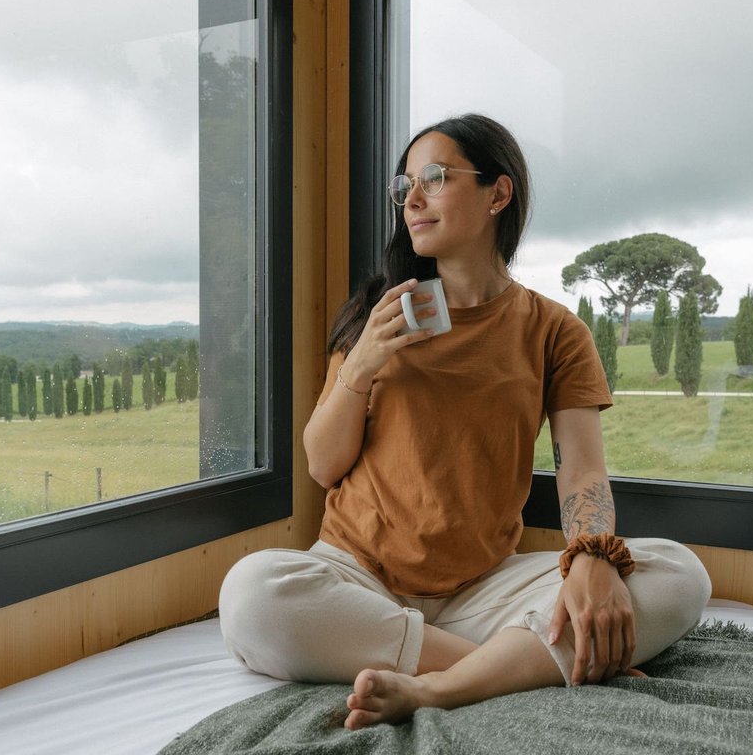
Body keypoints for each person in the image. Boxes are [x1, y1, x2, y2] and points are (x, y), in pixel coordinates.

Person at [219, 113, 711, 730]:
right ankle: (503, 669)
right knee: (253, 594)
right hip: (357, 577)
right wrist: (362, 363)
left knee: (678, 575)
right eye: (405, 187)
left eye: (434, 178)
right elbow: (323, 464)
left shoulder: (553, 330)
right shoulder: (381, 314)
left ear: (497, 194)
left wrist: (591, 557)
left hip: (486, 589)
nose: (412, 200)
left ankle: (440, 687)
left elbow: (581, 469)